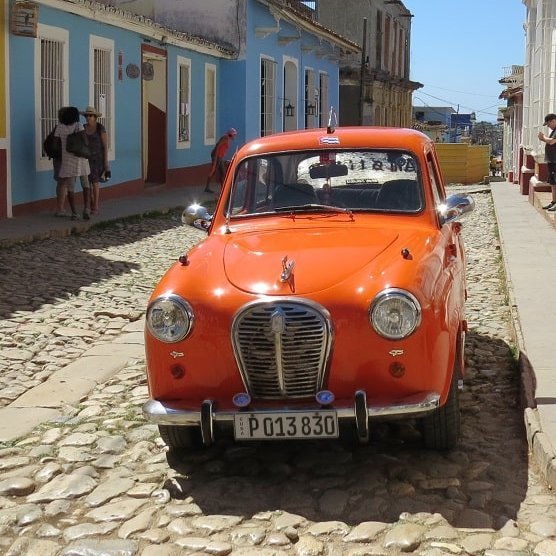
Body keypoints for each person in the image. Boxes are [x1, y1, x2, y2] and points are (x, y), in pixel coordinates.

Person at [54, 106, 90, 220]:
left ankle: (74, 212)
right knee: (85, 184)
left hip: (67, 160)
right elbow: (85, 140)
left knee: (70, 187)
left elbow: (56, 143)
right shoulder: (78, 126)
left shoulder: (60, 127)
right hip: (81, 158)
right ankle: (86, 209)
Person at [81, 106, 109, 214]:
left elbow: (105, 145)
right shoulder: (82, 128)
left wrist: (106, 163)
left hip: (97, 159)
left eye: (90, 115)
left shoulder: (100, 128)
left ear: (95, 117)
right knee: (87, 183)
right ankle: (91, 203)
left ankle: (95, 205)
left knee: (95, 182)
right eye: (87, 115)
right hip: (85, 159)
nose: (88, 117)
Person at [204, 128, 237, 193]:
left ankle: (222, 189)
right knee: (214, 171)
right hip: (217, 156)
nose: (235, 136)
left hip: (219, 157)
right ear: (231, 134)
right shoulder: (225, 138)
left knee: (222, 173)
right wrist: (216, 158)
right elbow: (218, 146)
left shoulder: (228, 138)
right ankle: (208, 188)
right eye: (234, 135)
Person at [538, 113, 556, 212]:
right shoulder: (554, 131)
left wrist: (543, 138)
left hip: (555, 161)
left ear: (553, 121)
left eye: (548, 124)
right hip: (551, 160)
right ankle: (553, 202)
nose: (548, 126)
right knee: (553, 182)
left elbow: (553, 141)